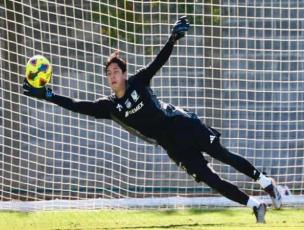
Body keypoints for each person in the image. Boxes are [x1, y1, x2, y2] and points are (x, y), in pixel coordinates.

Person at [23, 16, 282, 223]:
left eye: (116, 71)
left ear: (124, 74)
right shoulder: (110, 107)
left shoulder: (138, 81)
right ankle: (256, 206)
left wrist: (173, 39)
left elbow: (158, 61)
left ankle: (267, 183)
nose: (112, 76)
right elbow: (78, 105)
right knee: (212, 180)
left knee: (224, 156)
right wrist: (49, 95)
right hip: (173, 147)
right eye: (108, 73)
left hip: (185, 125)